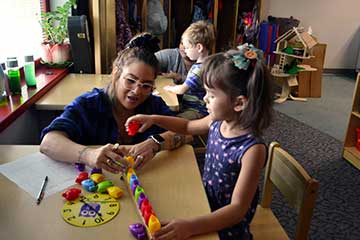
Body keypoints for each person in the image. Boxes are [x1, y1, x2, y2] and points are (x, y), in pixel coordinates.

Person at [125, 43, 274, 239]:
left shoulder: (252, 150)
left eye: (211, 95)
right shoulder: (216, 121)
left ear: (239, 103)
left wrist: (190, 227)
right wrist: (154, 118)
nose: (205, 99)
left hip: (226, 225)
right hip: (204, 202)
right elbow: (187, 127)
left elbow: (237, 210)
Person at [40, 32, 192, 174]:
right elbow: (48, 142)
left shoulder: (153, 105)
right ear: (116, 74)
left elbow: (186, 133)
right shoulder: (90, 104)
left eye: (146, 86)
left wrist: (155, 143)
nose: (137, 91)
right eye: (130, 81)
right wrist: (89, 155)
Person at [163, 20, 215, 120]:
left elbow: (183, 89)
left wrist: (170, 88)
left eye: (187, 47)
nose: (185, 51)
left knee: (174, 121)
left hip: (196, 109)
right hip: (194, 107)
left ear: (199, 47)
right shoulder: (208, 64)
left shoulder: (198, 68)